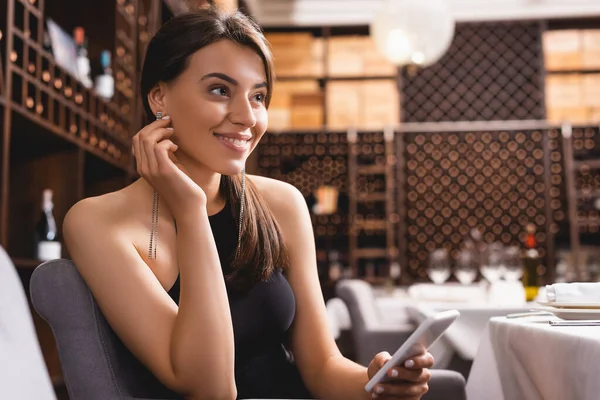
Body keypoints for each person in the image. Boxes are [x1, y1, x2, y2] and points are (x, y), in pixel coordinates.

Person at [63, 5, 433, 400]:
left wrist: (376, 383)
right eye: (220, 90)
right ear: (159, 97)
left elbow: (323, 367)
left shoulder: (282, 204)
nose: (247, 117)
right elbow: (211, 388)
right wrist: (190, 211)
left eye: (258, 96)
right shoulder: (96, 221)